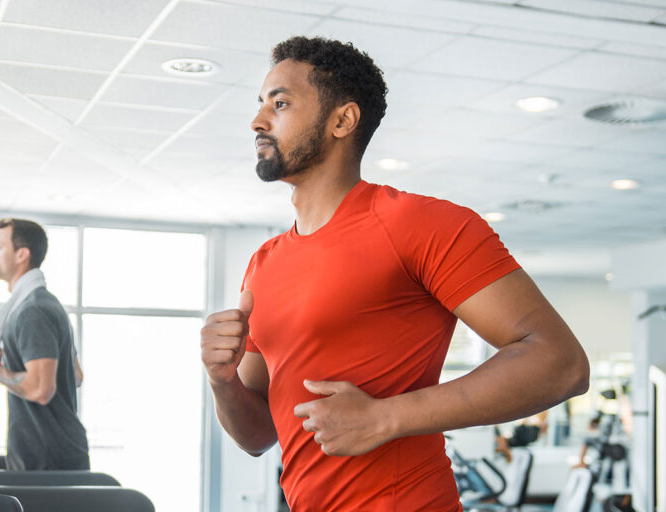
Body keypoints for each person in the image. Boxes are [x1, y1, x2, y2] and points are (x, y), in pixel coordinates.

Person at [200, 36, 590, 511]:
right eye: (261, 104)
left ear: (342, 120)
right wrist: (223, 382)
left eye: (280, 103)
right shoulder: (264, 262)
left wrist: (384, 418)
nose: (258, 121)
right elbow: (259, 435)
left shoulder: (418, 224)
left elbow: (561, 362)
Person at [0, 218, 89, 471]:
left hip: (47, 460)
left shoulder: (32, 310)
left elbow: (40, 389)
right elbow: (76, 375)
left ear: (21, 254)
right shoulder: (42, 303)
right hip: (51, 454)